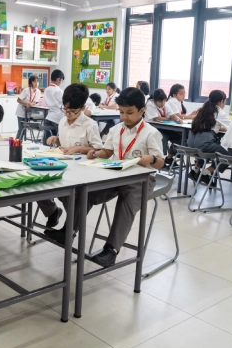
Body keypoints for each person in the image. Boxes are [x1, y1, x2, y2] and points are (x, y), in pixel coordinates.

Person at [46, 87, 164, 267]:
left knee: (126, 201)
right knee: (86, 193)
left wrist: (152, 159)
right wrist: (96, 153)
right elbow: (108, 152)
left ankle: (111, 249)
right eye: (121, 112)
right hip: (116, 173)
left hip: (141, 179)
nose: (125, 117)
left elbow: (160, 162)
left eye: (129, 113)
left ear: (142, 111)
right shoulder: (116, 129)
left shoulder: (150, 132)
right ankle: (67, 232)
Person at [38, 83, 103, 228]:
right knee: (36, 184)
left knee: (71, 195)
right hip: (62, 165)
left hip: (81, 170)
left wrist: (78, 148)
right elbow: (64, 142)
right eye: (65, 109)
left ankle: (70, 228)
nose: (67, 113)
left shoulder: (90, 125)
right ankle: (53, 211)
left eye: (72, 111)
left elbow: (98, 150)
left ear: (83, 108)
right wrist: (56, 140)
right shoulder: (62, 121)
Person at [187, 90, 230, 184]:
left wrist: (219, 128)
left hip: (191, 142)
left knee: (205, 149)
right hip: (204, 143)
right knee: (227, 156)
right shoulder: (220, 112)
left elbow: (210, 126)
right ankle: (205, 173)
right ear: (221, 101)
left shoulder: (202, 110)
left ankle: (195, 170)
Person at [162, 84, 196, 167]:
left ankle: (169, 158)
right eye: (181, 94)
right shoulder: (172, 101)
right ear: (174, 94)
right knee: (187, 138)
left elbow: (181, 117)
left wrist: (190, 115)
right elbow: (178, 117)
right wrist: (193, 117)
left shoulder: (178, 102)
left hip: (177, 126)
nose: (183, 96)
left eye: (184, 93)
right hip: (171, 128)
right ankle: (170, 157)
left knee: (187, 137)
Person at [15, 75, 41, 139]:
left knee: (25, 130)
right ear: (31, 82)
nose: (37, 83)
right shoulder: (26, 90)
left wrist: (33, 103)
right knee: (21, 129)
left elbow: (36, 101)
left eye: (37, 81)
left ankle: (21, 142)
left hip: (29, 113)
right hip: (21, 112)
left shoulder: (38, 91)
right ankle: (16, 143)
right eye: (34, 81)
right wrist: (26, 103)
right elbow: (18, 100)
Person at [43, 69, 65, 145]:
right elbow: (64, 104)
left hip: (49, 116)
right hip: (57, 117)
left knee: (47, 141)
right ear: (59, 79)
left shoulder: (46, 89)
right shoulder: (59, 91)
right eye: (61, 80)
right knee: (57, 141)